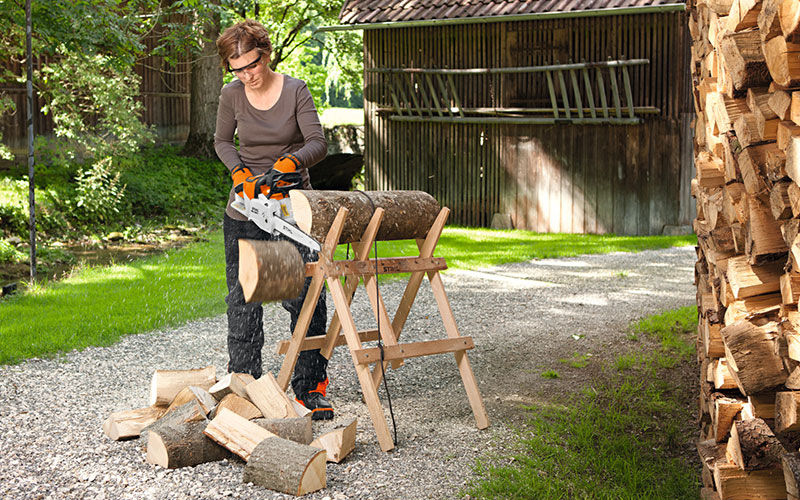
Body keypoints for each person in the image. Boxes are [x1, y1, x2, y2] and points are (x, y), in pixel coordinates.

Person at [214, 19, 332, 420]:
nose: (247, 75)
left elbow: (317, 142)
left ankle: (309, 388)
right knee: (245, 298)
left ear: (266, 54)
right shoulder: (232, 95)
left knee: (303, 298)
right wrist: (239, 172)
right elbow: (221, 141)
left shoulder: (295, 89)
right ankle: (244, 386)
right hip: (247, 206)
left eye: (252, 65)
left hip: (292, 206)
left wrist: (290, 161)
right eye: (238, 69)